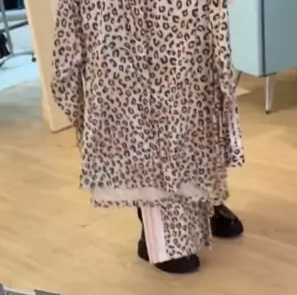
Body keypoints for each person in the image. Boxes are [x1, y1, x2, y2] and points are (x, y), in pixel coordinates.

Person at [52, 0, 244, 274]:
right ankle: (156, 232)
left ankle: (206, 202)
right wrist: (86, 121)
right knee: (140, 130)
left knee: (191, 114)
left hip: (184, 48)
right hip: (122, 61)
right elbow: (67, 51)